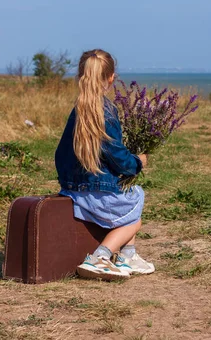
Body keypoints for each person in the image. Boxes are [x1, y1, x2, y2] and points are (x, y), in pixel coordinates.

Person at [55, 49, 155, 281]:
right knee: (135, 206)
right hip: (98, 193)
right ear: (111, 78)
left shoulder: (78, 110)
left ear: (81, 75)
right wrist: (137, 163)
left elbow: (60, 154)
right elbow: (117, 155)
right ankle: (101, 256)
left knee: (127, 204)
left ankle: (128, 256)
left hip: (74, 192)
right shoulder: (106, 111)